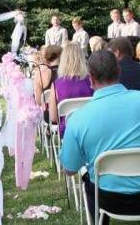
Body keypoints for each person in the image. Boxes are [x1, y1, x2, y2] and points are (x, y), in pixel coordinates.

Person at [60, 50, 140, 225]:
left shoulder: (78, 118)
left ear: (91, 77)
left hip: (107, 199)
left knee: (89, 179)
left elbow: (70, 169)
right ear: (119, 71)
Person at [49, 42, 93, 138]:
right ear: (82, 59)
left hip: (68, 133)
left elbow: (53, 117)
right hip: (91, 130)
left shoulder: (56, 84)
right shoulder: (92, 81)